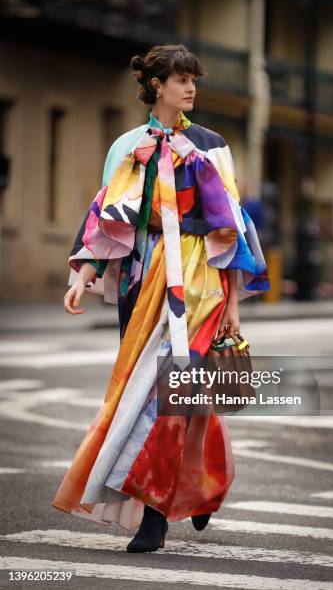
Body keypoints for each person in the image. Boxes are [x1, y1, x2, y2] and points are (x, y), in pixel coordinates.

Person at [51, 43, 271, 553]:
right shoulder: (127, 146)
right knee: (160, 401)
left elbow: (234, 229)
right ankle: (202, 487)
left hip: (198, 292)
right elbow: (105, 217)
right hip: (139, 287)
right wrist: (83, 275)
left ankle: (155, 515)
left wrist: (233, 306)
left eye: (194, 79)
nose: (191, 87)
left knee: (168, 402)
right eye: (180, 79)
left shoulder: (213, 145)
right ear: (156, 86)